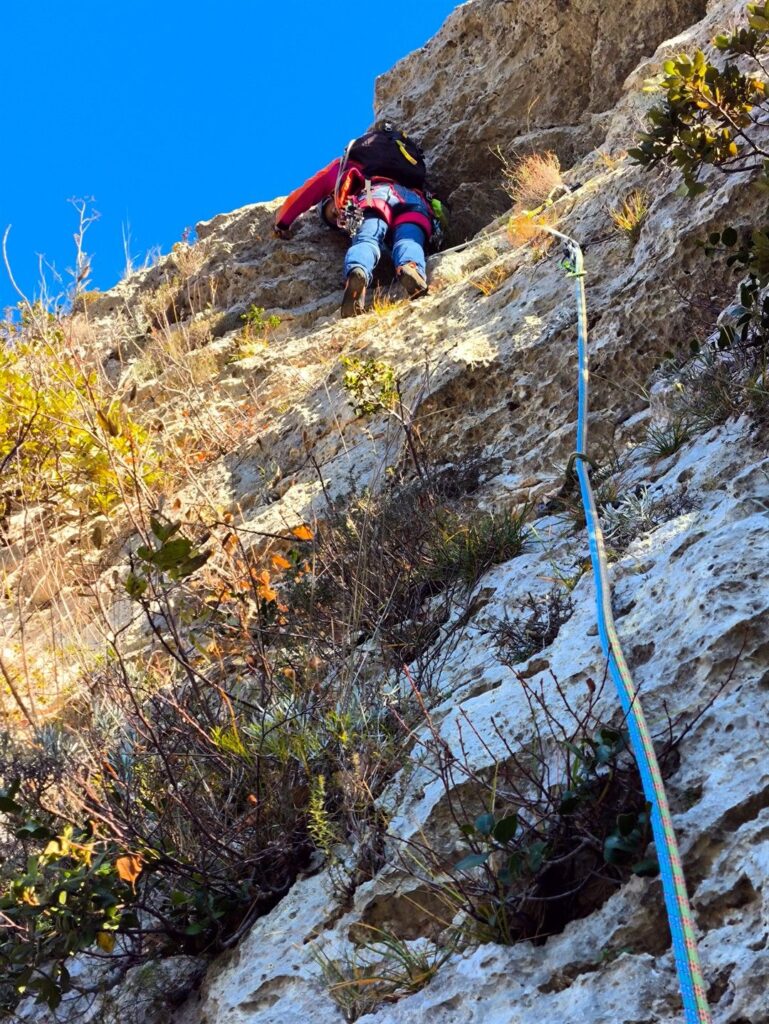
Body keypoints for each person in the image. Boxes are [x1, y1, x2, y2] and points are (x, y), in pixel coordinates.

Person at [273, 122, 439, 317]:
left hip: (371, 193)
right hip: (414, 199)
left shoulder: (350, 162)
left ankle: (358, 272)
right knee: (409, 238)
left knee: (367, 238)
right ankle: (411, 268)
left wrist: (282, 221)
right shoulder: (405, 161)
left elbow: (311, 189)